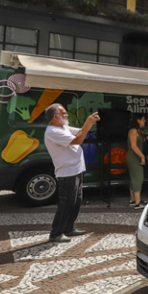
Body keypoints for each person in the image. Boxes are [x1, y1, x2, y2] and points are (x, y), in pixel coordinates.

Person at [44, 103, 99, 242]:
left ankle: (69, 227)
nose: (67, 115)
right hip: (67, 172)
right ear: (56, 116)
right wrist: (88, 122)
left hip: (76, 169)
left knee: (76, 201)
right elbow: (78, 140)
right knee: (66, 202)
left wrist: (88, 124)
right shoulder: (53, 132)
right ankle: (56, 233)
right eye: (64, 113)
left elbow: (80, 131)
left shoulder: (63, 128)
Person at [127, 115, 148, 209]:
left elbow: (138, 140)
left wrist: (146, 139)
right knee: (138, 177)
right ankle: (138, 202)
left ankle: (133, 200)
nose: (144, 121)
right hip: (134, 158)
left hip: (133, 157)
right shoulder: (133, 131)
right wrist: (142, 156)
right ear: (138, 120)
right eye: (143, 119)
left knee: (133, 177)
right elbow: (133, 146)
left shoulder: (136, 131)